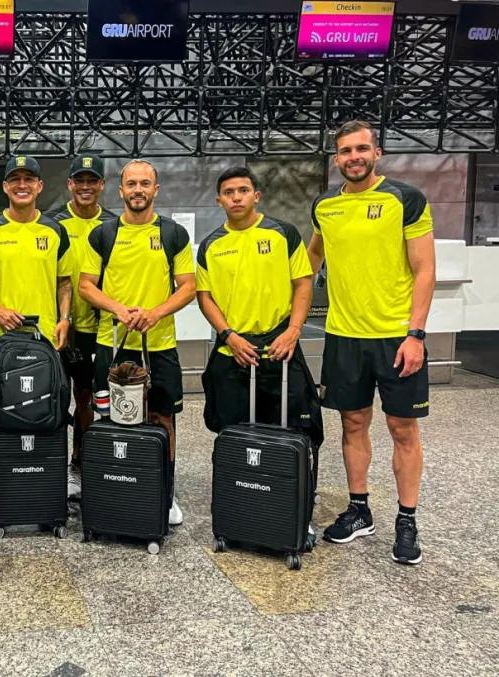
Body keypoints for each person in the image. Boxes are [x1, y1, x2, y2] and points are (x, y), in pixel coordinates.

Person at [308, 120, 436, 566]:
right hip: (344, 335)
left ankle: (407, 518)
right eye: (345, 151)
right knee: (352, 424)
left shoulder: (405, 198)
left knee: (403, 429)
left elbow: (424, 269)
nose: (354, 157)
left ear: (376, 153)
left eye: (362, 149)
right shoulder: (325, 205)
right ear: (336, 158)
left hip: (396, 336)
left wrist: (415, 334)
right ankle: (359, 509)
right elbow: (313, 255)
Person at [79, 159, 197, 526]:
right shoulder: (103, 234)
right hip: (112, 342)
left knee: (162, 417)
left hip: (158, 345)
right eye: (131, 184)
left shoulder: (173, 234)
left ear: (155, 190)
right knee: (111, 417)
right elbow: (86, 286)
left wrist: (155, 313)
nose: (138, 190)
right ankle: (115, 486)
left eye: (145, 183)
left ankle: (165, 490)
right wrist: (118, 309)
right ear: (121, 190)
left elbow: (188, 287)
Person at [196, 166, 323, 471]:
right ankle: (238, 485)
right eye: (228, 193)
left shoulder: (283, 234)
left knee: (296, 425)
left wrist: (293, 330)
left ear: (256, 195)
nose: (236, 198)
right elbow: (205, 297)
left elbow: (303, 283)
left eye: (243, 191)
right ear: (219, 200)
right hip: (234, 348)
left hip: (280, 346)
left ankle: (292, 486)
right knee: (230, 427)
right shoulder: (211, 245)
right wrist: (229, 336)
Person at [46, 154, 117, 500]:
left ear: (102, 185)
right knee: (55, 401)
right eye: (79, 180)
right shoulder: (52, 223)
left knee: (89, 398)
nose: (85, 187)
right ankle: (51, 467)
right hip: (59, 330)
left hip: (99, 330)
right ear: (70, 184)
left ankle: (83, 462)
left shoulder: (116, 225)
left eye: (92, 181)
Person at [0, 155, 73, 351]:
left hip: (45, 337)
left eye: (29, 179)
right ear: (5, 186)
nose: (22, 185)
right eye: (15, 179)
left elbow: (64, 282)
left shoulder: (56, 231)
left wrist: (65, 318)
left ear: (39, 186)